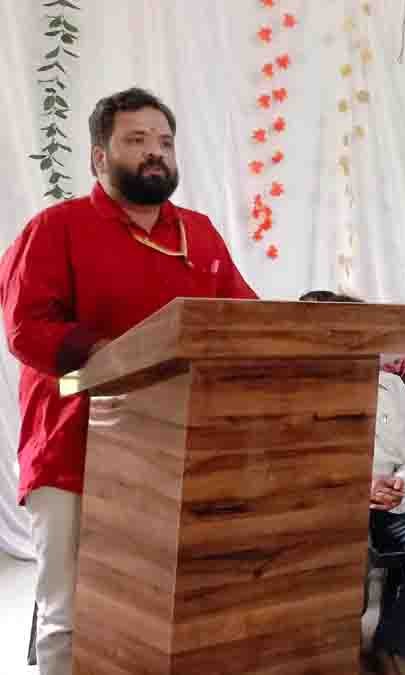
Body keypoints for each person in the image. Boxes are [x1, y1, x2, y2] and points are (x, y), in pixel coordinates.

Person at [0, 88, 257, 675]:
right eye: (136, 141)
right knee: (71, 611)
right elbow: (26, 327)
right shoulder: (55, 228)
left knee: (158, 606)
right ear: (98, 157)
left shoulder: (199, 232)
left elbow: (242, 317)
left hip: (176, 452)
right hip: (74, 448)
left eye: (163, 142)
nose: (155, 155)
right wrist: (120, 357)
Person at [301, 292, 405, 675]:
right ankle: (339, 649)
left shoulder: (391, 387)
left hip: (399, 500)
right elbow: (305, 465)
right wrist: (360, 490)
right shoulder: (306, 388)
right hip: (336, 507)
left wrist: (400, 480)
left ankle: (392, 642)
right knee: (347, 559)